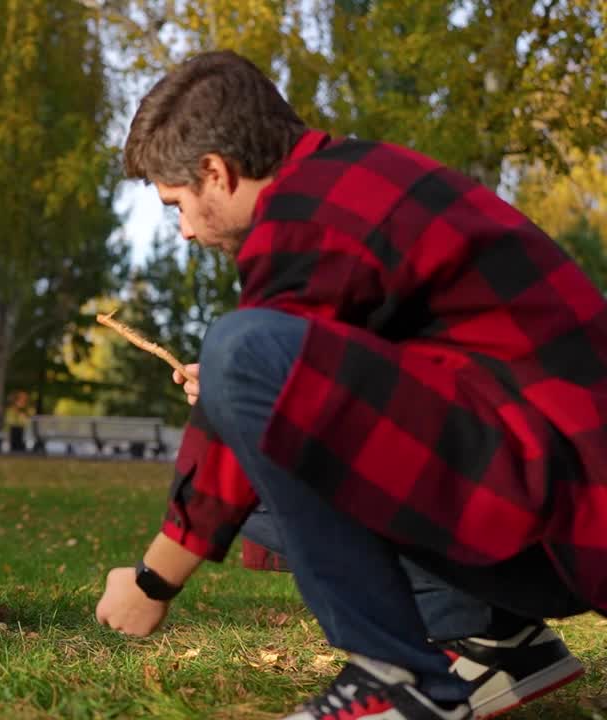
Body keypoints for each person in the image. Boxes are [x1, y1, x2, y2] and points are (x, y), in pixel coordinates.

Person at [94, 49, 606, 720]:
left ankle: (396, 676)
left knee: (239, 347)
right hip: (543, 506)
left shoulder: (311, 214)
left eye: (177, 205)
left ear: (215, 172)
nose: (185, 230)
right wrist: (236, 393)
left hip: (568, 515)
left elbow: (253, 363)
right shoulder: (350, 184)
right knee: (249, 388)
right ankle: (497, 638)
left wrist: (152, 581)